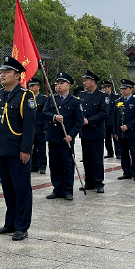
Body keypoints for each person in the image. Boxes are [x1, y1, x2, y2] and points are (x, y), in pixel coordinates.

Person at [0, 57, 36, 241]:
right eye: (1, 71)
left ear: (17, 75)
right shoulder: (1, 96)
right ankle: (10, 222)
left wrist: (26, 149)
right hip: (1, 150)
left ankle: (22, 226)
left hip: (18, 151)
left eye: (7, 72)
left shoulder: (26, 96)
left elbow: (29, 126)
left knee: (21, 189)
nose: (2, 74)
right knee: (8, 189)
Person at [42, 72, 83, 200]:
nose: (58, 86)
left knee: (67, 165)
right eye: (57, 84)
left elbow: (79, 122)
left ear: (68, 85)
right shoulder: (51, 99)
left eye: (62, 83)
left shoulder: (75, 102)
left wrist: (71, 135)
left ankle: (67, 190)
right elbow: (44, 112)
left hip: (66, 139)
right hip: (54, 137)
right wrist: (54, 117)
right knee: (54, 165)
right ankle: (57, 189)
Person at [78, 70, 109, 193]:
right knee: (86, 159)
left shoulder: (103, 96)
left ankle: (99, 182)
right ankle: (89, 181)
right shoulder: (83, 95)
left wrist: (88, 121)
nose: (84, 82)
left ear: (93, 82)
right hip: (85, 132)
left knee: (97, 158)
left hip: (96, 131)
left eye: (86, 80)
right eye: (84, 80)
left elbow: (103, 113)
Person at [113, 79, 135, 182]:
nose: (123, 91)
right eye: (122, 89)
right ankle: (126, 172)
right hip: (121, 133)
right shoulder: (118, 102)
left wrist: (128, 126)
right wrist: (115, 132)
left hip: (132, 132)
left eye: (125, 89)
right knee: (124, 154)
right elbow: (115, 118)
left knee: (134, 154)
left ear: (131, 89)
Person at [28, 77, 48, 174]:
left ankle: (42, 166)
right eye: (29, 86)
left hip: (40, 127)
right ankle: (33, 165)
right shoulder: (27, 98)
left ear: (38, 87)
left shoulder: (43, 99)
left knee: (41, 148)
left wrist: (45, 127)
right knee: (31, 147)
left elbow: (45, 114)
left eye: (32, 86)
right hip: (30, 127)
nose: (30, 88)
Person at [102, 80, 121, 159]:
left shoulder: (116, 96)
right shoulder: (102, 97)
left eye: (105, 87)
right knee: (106, 138)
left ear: (109, 88)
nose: (104, 89)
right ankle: (110, 152)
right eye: (103, 88)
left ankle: (118, 152)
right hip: (105, 120)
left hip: (113, 120)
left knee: (115, 137)